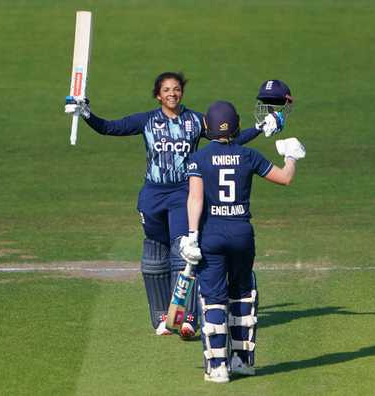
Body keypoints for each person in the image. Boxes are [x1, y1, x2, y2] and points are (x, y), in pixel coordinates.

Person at [64, 72, 284, 337]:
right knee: (156, 255)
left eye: (176, 89)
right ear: (158, 95)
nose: (172, 93)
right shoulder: (147, 120)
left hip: (183, 193)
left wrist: (260, 128)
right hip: (152, 195)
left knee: (183, 250)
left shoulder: (195, 121)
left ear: (181, 93)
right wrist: (86, 113)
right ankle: (162, 317)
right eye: (166, 90)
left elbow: (228, 139)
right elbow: (110, 127)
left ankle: (188, 317)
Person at [180, 100, 305, 383]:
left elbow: (195, 199)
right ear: (236, 126)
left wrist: (191, 236)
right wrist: (292, 156)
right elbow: (285, 179)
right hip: (241, 234)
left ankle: (218, 368)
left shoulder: (198, 159)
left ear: (207, 128)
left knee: (213, 298)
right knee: (242, 294)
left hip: (211, 235)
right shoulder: (248, 155)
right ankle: (243, 362)